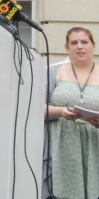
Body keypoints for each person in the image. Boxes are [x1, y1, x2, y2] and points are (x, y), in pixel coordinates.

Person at [44, 27, 99, 199]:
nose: (79, 46)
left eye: (84, 42)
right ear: (66, 47)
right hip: (61, 144)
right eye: (73, 43)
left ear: (93, 45)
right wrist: (61, 111)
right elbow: (36, 108)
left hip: (94, 145)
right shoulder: (53, 72)